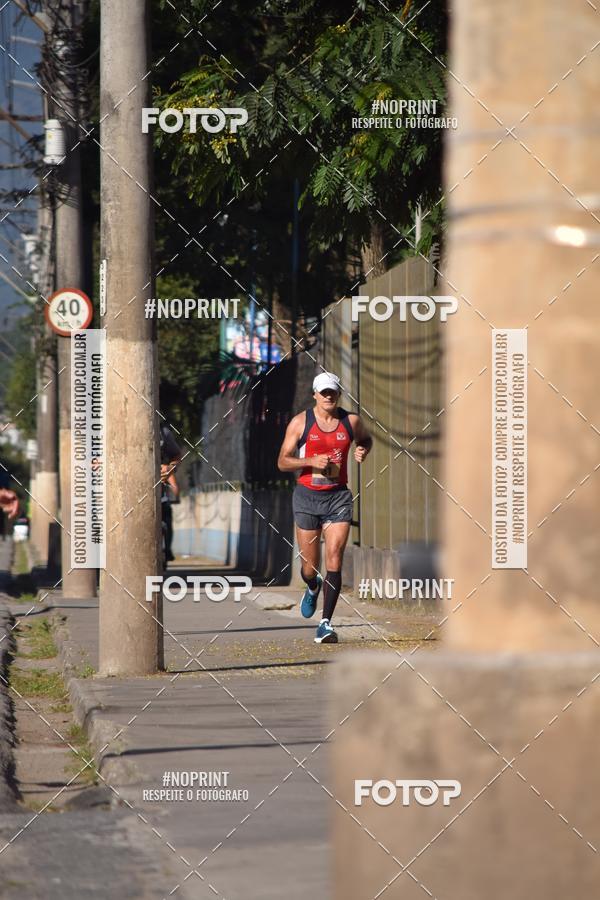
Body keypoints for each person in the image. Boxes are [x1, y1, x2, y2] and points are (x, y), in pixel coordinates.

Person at [277, 371, 372, 643]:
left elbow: (366, 439)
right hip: (307, 497)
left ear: (338, 393)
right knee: (310, 567)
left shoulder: (351, 421)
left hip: (338, 497)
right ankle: (312, 585)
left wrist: (363, 450)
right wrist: (310, 462)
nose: (328, 396)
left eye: (332, 392)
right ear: (315, 395)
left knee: (334, 557)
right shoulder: (300, 423)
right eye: (323, 392)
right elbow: (283, 462)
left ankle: (326, 624)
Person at [159, 423, 182, 562]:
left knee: (167, 513)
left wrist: (170, 469)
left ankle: (167, 548)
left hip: (160, 491)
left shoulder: (163, 432)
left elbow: (177, 456)